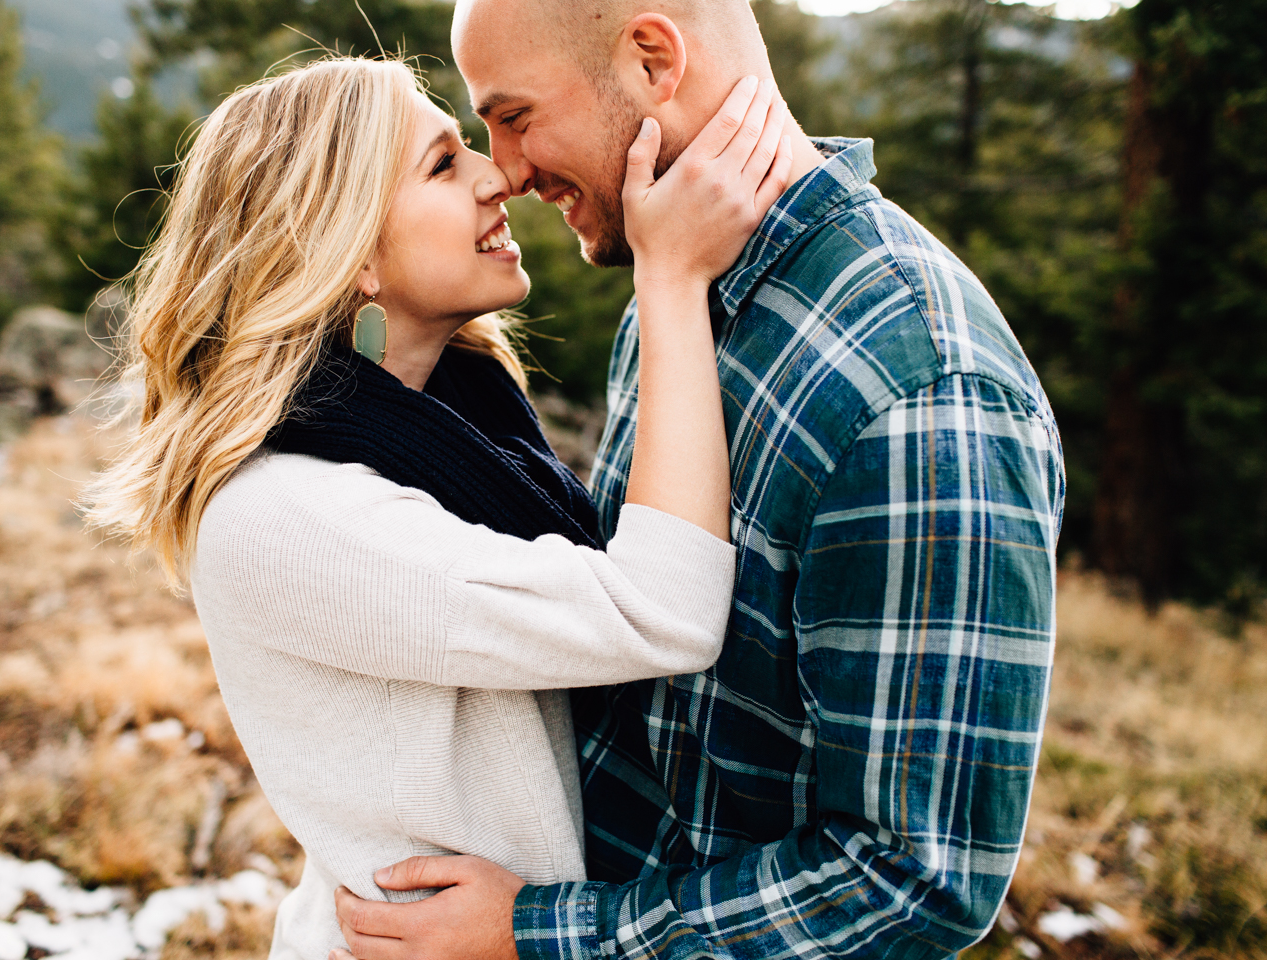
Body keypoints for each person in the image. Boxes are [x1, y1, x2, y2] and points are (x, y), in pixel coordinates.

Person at [331, 2, 1066, 959]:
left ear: (650, 58)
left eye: (513, 117)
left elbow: (909, 882)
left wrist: (539, 932)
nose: (504, 168)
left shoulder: (923, 391)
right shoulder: (676, 283)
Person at [83, 57, 796, 958]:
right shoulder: (293, 512)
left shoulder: (455, 425)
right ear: (348, 252)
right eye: (441, 164)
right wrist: (672, 279)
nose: (495, 176)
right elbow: (660, 613)